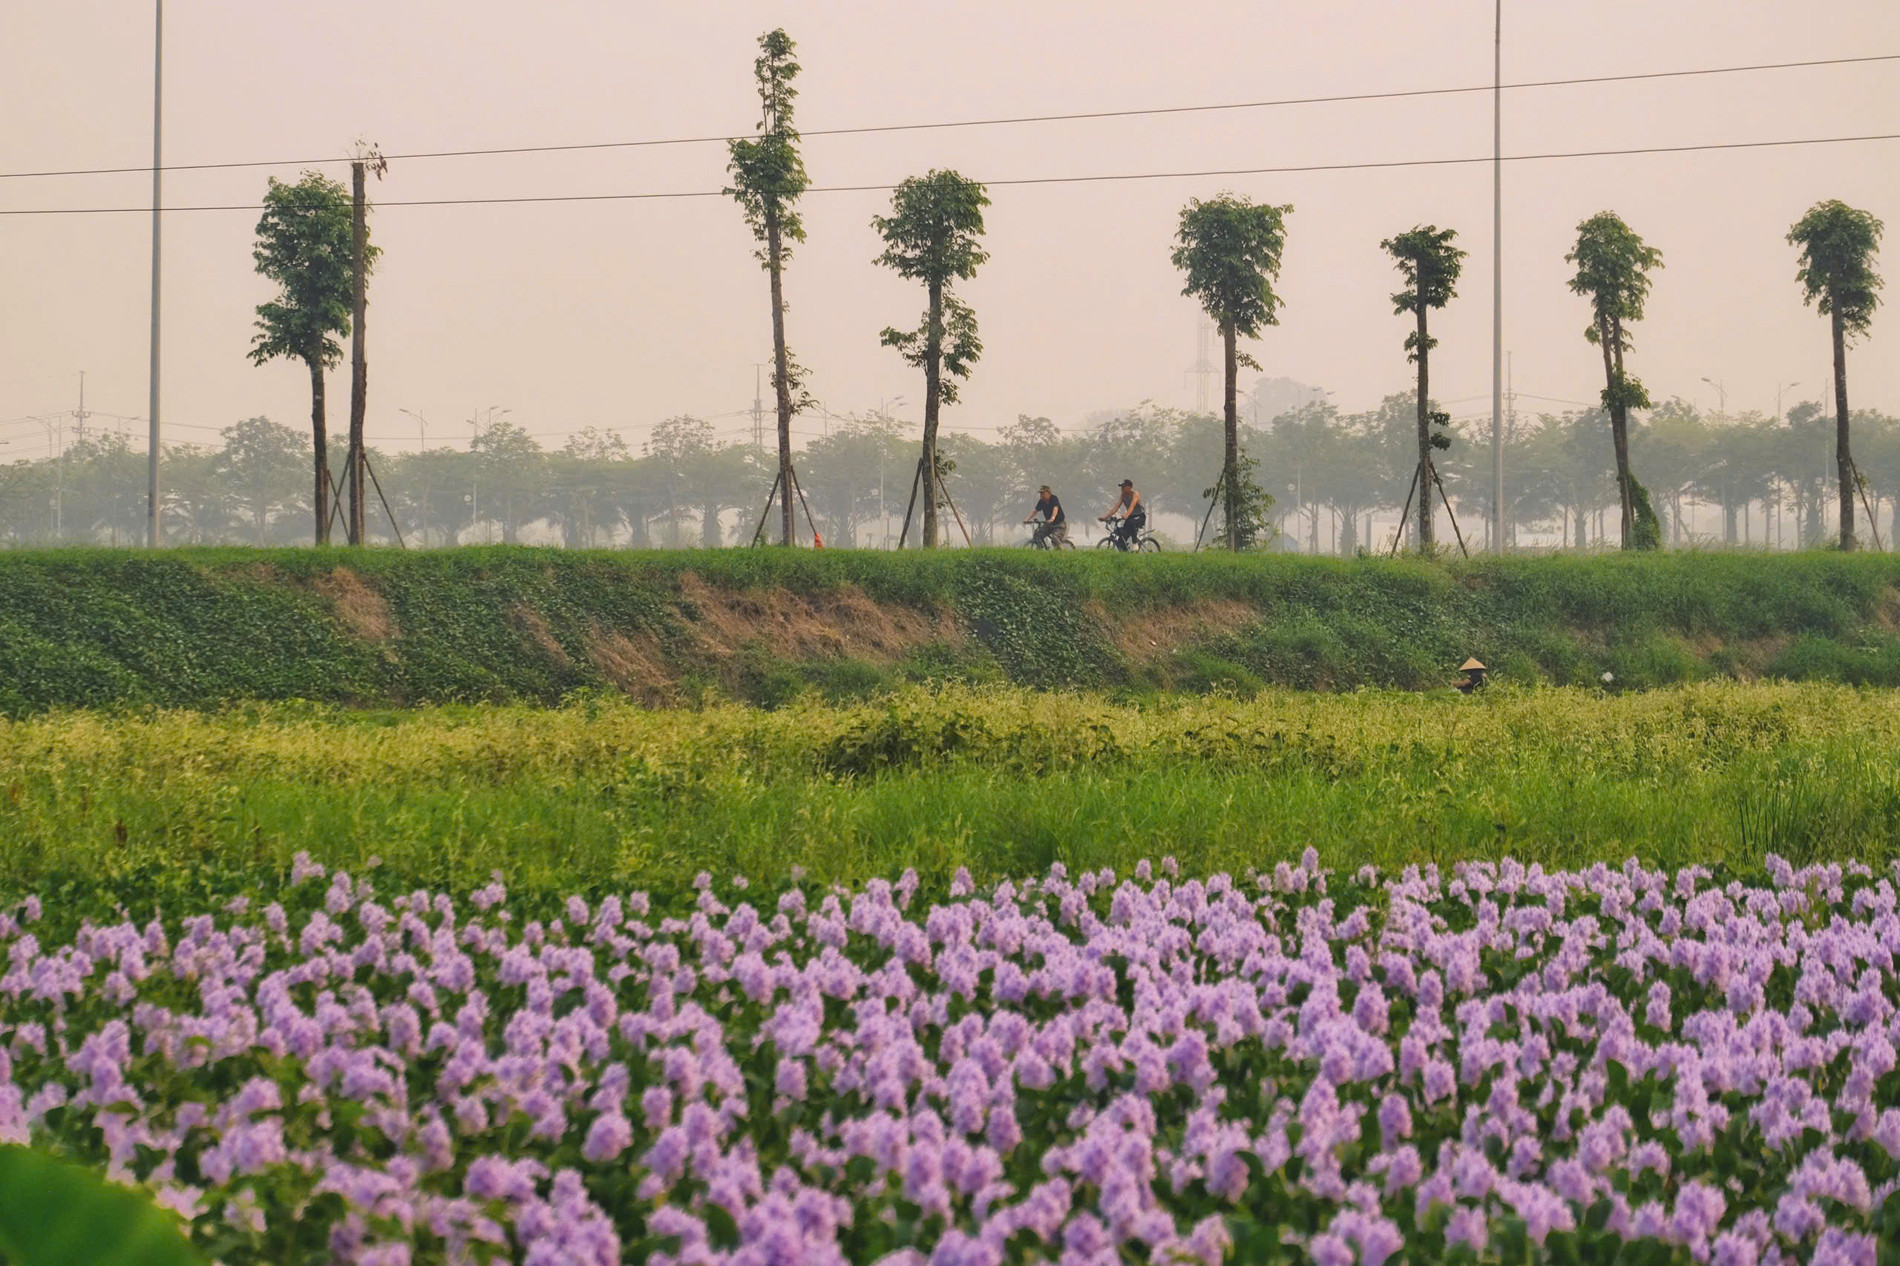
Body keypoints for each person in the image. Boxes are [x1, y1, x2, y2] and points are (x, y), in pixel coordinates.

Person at [1099, 479, 1145, 548]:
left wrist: (1126, 515)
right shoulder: (1123, 495)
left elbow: (1132, 507)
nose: (1122, 488)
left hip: (1139, 516)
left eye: (1124, 487)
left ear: (1130, 487)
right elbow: (1116, 507)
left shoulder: (1135, 494)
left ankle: (1135, 542)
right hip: (1130, 517)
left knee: (1131, 522)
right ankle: (1126, 554)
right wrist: (1105, 517)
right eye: (1121, 487)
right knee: (1122, 537)